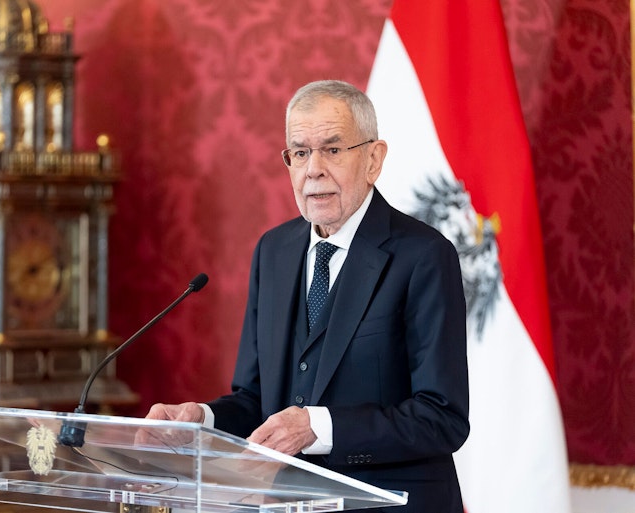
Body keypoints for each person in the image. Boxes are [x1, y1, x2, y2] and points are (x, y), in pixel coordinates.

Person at [144, 80, 469, 513]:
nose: (313, 169)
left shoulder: (424, 256)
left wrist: (318, 427)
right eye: (299, 153)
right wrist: (200, 419)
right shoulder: (273, 251)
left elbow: (442, 418)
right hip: (289, 504)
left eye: (332, 149)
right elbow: (256, 400)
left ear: (373, 160)